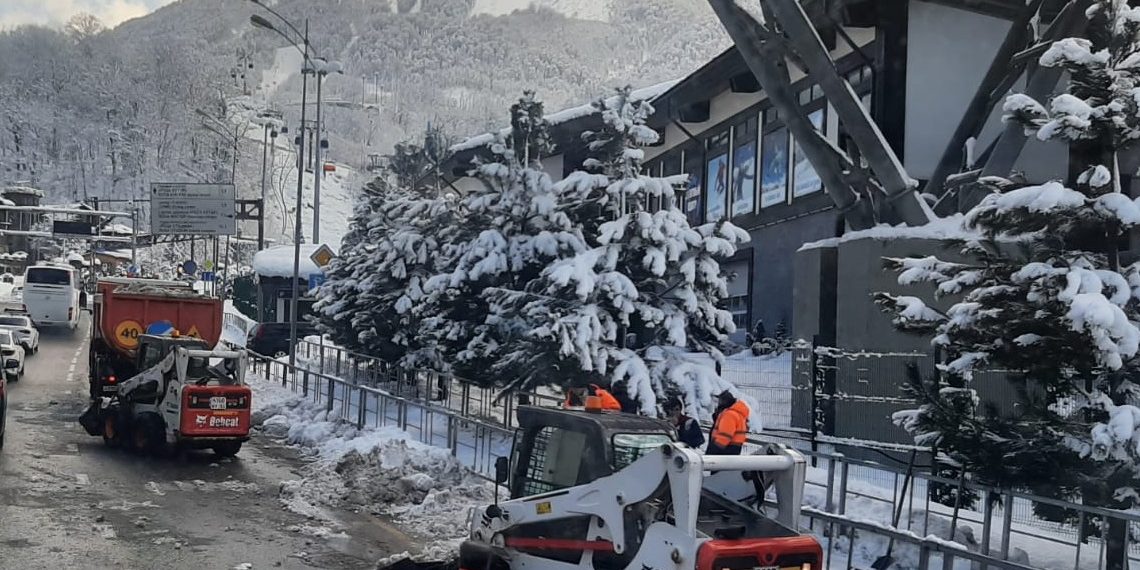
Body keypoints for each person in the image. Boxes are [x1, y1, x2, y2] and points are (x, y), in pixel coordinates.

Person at [707, 390, 749, 455]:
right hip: (732, 449)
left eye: (719, 401)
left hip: (724, 450)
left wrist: (712, 452)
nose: (717, 404)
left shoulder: (729, 415)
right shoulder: (736, 413)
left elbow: (724, 436)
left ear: (724, 402)